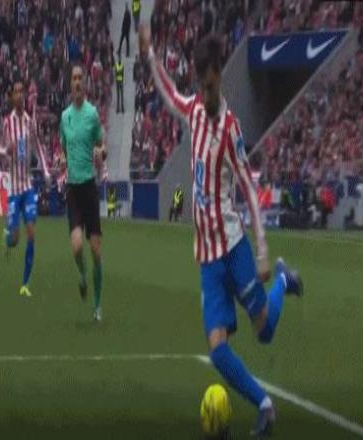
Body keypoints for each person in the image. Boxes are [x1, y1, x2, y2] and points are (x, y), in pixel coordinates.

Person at [140, 27, 303, 436]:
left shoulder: (230, 130)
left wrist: (262, 252)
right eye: (202, 85)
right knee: (217, 348)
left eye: (211, 85)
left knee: (264, 331)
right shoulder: (194, 110)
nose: (206, 93)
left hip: (233, 247)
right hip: (207, 257)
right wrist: (151, 55)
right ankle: (264, 405)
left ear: (220, 79)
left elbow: (248, 189)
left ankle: (284, 279)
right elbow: (169, 93)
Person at [60, 63, 107, 322]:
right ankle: (81, 275)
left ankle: (97, 305)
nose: (77, 82)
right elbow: (62, 148)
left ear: (84, 83)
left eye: (80, 78)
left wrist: (102, 152)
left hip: (89, 187)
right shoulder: (65, 117)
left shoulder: (92, 114)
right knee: (77, 247)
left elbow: (101, 143)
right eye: (74, 78)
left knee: (96, 250)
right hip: (73, 189)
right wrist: (61, 159)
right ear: (70, 84)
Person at [0, 78, 51, 297]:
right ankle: (7, 235)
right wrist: (6, 151)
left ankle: (25, 284)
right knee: (14, 239)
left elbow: (38, 146)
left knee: (31, 233)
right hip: (13, 188)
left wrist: (46, 170)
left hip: (27, 186)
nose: (20, 95)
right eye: (16, 91)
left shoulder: (30, 122)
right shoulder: (6, 123)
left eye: (22, 91)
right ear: (12, 97)